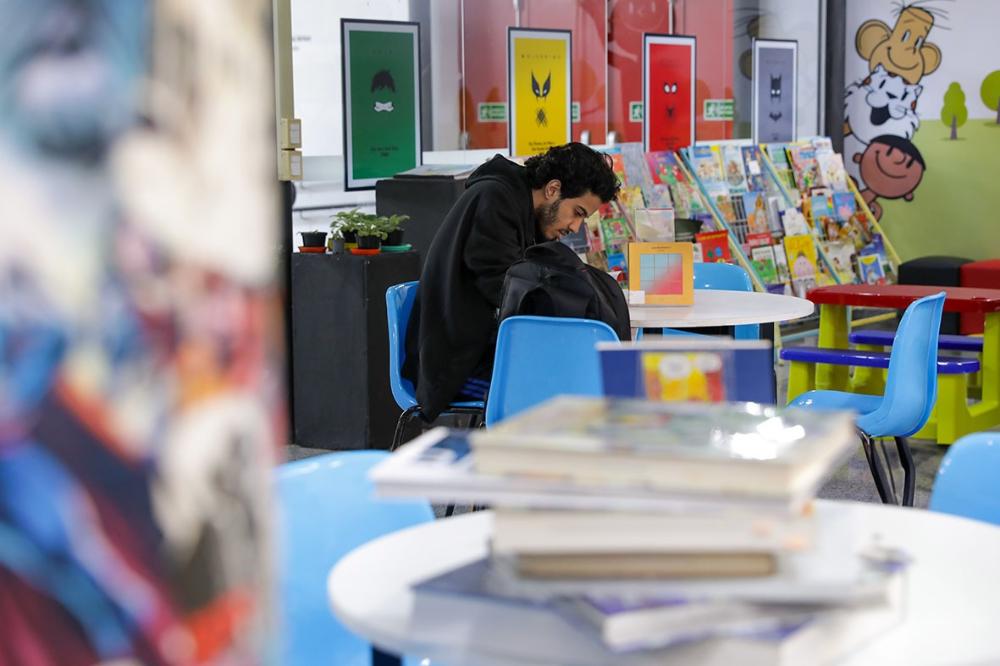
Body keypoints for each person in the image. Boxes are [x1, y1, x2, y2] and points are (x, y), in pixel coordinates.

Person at [403, 142, 620, 420]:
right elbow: (508, 292)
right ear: (553, 189)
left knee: (583, 376)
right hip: (455, 366)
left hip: (484, 350)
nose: (575, 227)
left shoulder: (524, 210)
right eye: (577, 213)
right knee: (567, 385)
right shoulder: (495, 200)